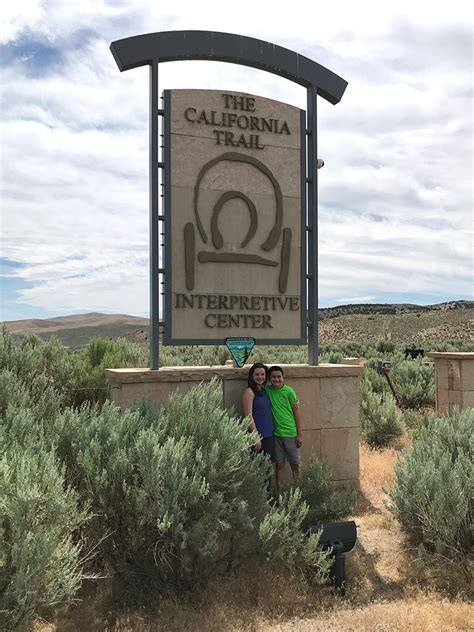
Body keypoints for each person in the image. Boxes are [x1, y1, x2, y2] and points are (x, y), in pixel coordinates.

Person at [265, 365, 302, 497]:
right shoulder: (267, 391)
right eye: (273, 377)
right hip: (276, 435)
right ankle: (279, 494)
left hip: (291, 434)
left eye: (279, 377)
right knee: (279, 465)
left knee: (295, 464)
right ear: (269, 379)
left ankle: (299, 492)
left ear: (283, 378)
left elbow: (297, 413)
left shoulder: (289, 392)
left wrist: (299, 434)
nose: (276, 379)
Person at [242, 363, 274, 460]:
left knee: (267, 468)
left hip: (268, 435)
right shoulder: (249, 392)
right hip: (257, 437)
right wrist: (256, 437)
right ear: (252, 376)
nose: (260, 377)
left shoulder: (264, 391)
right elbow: (248, 416)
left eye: (262, 374)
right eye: (257, 374)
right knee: (257, 470)